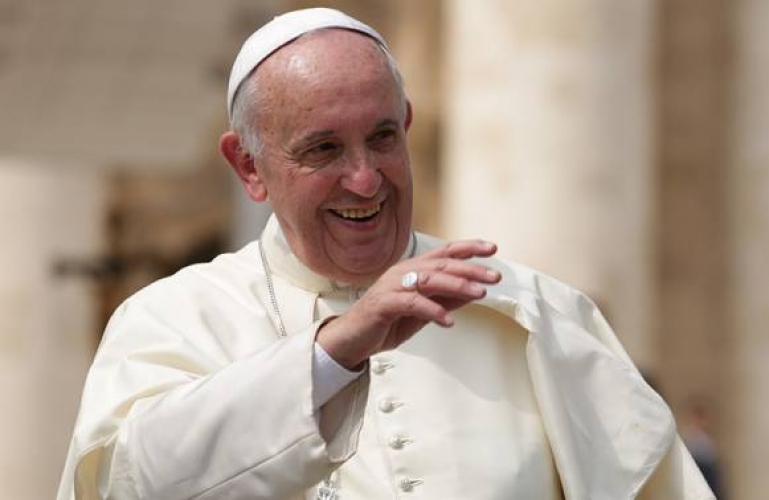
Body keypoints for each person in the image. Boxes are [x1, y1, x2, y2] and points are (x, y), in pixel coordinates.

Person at [58, 8, 714, 500]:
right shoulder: (173, 320)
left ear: (407, 123)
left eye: (382, 137)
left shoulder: (534, 313)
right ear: (248, 167)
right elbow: (131, 483)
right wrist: (332, 354)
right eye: (323, 150)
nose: (366, 179)